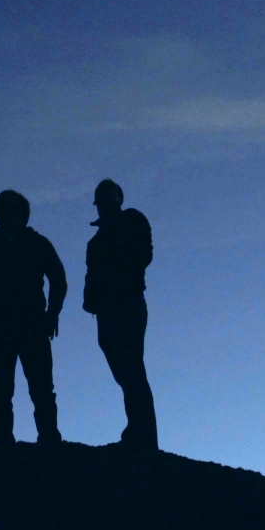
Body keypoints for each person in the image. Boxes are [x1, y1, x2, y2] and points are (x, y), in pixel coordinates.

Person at [0, 189, 67, 445]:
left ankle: (50, 441)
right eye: (3, 207)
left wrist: (52, 314)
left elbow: (59, 280)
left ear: (23, 214)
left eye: (12, 208)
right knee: (0, 390)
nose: (7, 212)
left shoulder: (38, 243)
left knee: (42, 388)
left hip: (34, 326)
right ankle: (3, 445)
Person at [83, 178, 156, 450]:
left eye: (107, 199)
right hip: (107, 311)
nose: (103, 205)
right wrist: (91, 301)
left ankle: (144, 436)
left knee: (132, 370)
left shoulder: (132, 221)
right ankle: (138, 430)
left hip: (128, 303)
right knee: (125, 373)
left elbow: (143, 255)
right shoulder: (96, 241)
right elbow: (91, 276)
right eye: (100, 201)